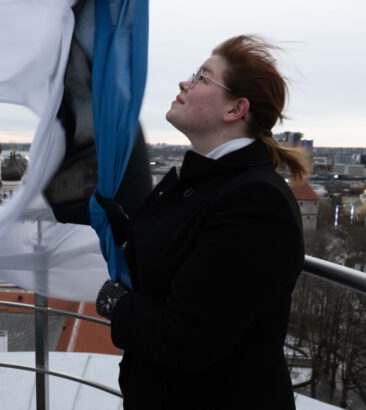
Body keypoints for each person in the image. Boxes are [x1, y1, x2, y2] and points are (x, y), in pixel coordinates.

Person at [95, 35, 309, 409]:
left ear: (235, 109)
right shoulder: (207, 181)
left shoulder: (256, 204)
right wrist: (127, 232)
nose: (184, 83)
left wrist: (117, 304)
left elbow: (186, 338)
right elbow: (181, 259)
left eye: (202, 78)